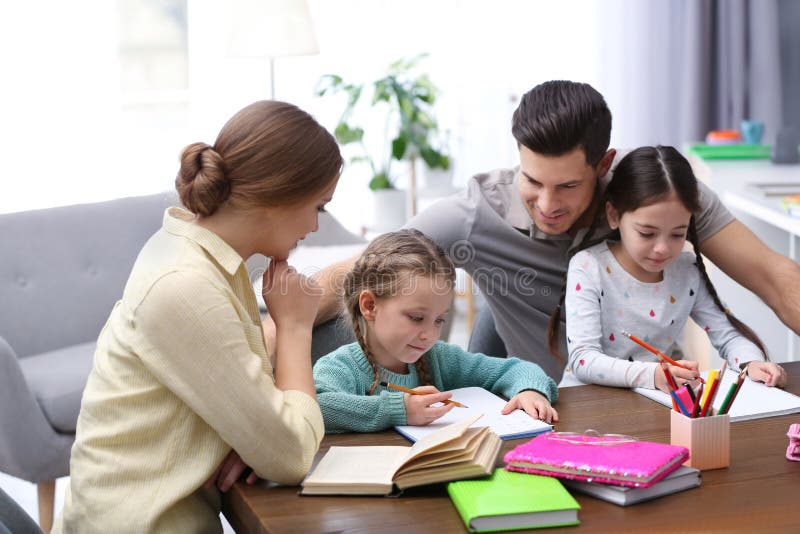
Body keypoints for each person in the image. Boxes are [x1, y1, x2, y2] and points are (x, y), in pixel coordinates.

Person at [266, 80, 800, 381]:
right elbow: (365, 271)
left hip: (656, 397)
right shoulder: (476, 214)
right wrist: (263, 335)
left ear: (604, 164)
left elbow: (777, 278)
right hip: (547, 399)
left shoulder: (657, 203)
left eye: (568, 186)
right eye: (532, 180)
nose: (547, 205)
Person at [54, 101, 342, 534]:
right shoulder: (185, 285)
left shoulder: (202, 255)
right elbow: (293, 456)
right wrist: (295, 328)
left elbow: (260, 415)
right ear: (276, 197)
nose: (317, 227)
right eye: (319, 206)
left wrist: (252, 433)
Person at [548, 146, 787, 390]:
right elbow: (583, 359)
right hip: (588, 405)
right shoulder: (588, 267)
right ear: (614, 215)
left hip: (653, 404)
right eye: (647, 233)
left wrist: (751, 362)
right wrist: (653, 375)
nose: (662, 248)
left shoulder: (686, 270)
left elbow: (728, 336)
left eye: (677, 234)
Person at [312, 229, 558, 432]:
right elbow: (317, 407)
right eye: (417, 317)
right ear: (370, 306)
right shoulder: (339, 367)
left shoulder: (439, 358)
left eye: (439, 320)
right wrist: (399, 409)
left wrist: (530, 390)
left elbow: (517, 369)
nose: (429, 334)